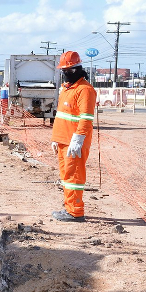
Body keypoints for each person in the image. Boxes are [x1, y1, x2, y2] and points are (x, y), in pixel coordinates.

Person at [51, 51, 96, 222]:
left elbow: (86, 118)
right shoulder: (67, 89)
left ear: (74, 70)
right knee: (66, 177)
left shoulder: (85, 90)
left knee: (74, 177)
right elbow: (63, 116)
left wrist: (78, 139)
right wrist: (56, 138)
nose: (64, 74)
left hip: (74, 143)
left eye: (66, 71)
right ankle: (69, 208)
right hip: (63, 141)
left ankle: (75, 212)